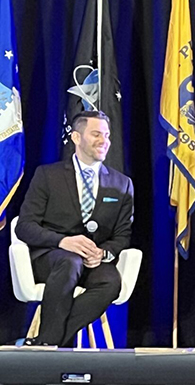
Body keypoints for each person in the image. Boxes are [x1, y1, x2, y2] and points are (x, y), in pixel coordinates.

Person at [16, 110, 133, 347]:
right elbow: (25, 227)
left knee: (111, 282)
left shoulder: (122, 184)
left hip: (92, 261)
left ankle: (48, 341)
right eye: (96, 134)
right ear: (76, 138)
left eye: (107, 135)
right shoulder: (48, 175)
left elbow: (122, 235)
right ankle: (51, 342)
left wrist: (102, 253)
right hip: (51, 257)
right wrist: (62, 241)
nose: (104, 141)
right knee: (70, 262)